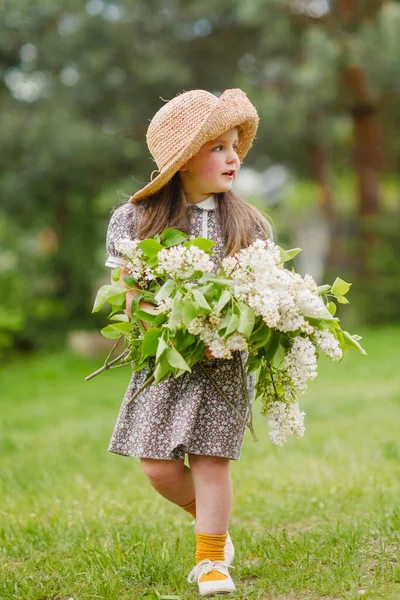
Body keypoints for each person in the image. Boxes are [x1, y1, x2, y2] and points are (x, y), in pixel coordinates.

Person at [104, 88, 274, 597]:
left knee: (209, 460)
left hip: (223, 363)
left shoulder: (247, 222)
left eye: (234, 146)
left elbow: (260, 296)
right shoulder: (138, 221)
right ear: (182, 162)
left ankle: (212, 562)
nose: (233, 156)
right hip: (166, 359)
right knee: (158, 468)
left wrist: (237, 329)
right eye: (217, 148)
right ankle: (214, 531)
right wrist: (171, 322)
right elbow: (128, 295)